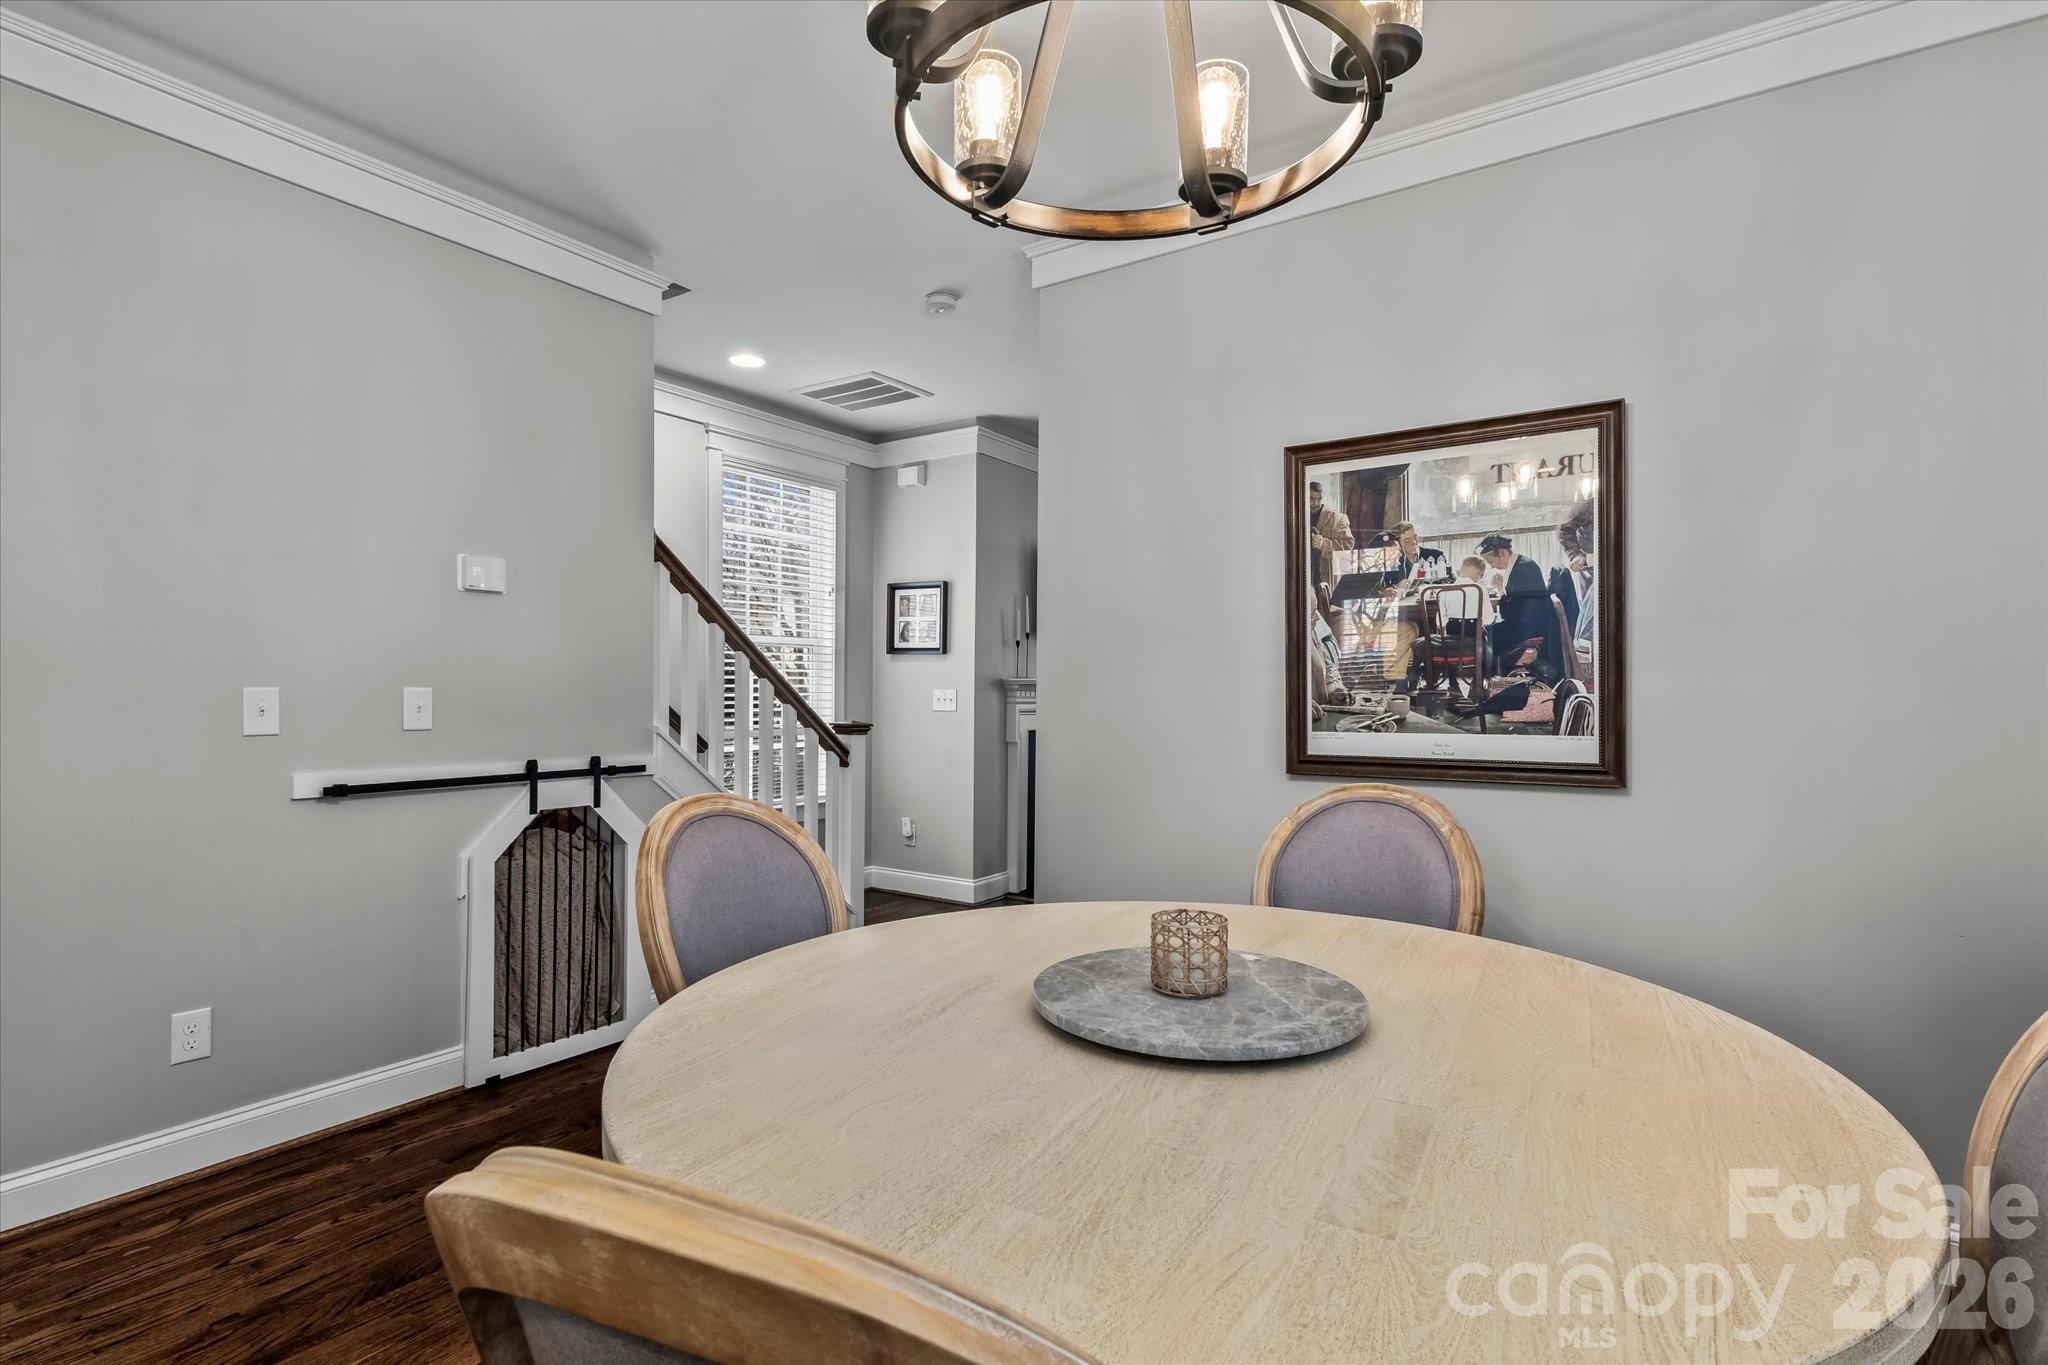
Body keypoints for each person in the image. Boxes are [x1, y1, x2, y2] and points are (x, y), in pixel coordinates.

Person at [1374, 521, 1450, 690]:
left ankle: (1426, 674)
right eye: (1407, 541)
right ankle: (1410, 674)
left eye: (1415, 537)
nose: (1413, 542)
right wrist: (1394, 589)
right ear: (1399, 544)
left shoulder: (1435, 555)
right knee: (1410, 626)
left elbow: (1449, 580)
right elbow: (1384, 586)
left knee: (1427, 624)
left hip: (1432, 611)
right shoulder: (1392, 562)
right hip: (1404, 613)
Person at [1480, 533, 1556, 676]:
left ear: (1502, 553)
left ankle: (1489, 680)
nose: (1492, 566)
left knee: (1485, 636)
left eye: (1492, 562)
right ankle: (1489, 680)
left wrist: (1501, 589)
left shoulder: (1523, 569)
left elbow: (1511, 613)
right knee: (1485, 632)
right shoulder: (1521, 564)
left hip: (1529, 628)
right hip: (1527, 623)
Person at [1306, 481, 1353, 593]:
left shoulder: (1338, 517)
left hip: (1325, 579)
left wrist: (1324, 545)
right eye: (1311, 499)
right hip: (1303, 577)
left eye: (1319, 499)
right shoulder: (1296, 517)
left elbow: (1348, 544)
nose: (1315, 503)